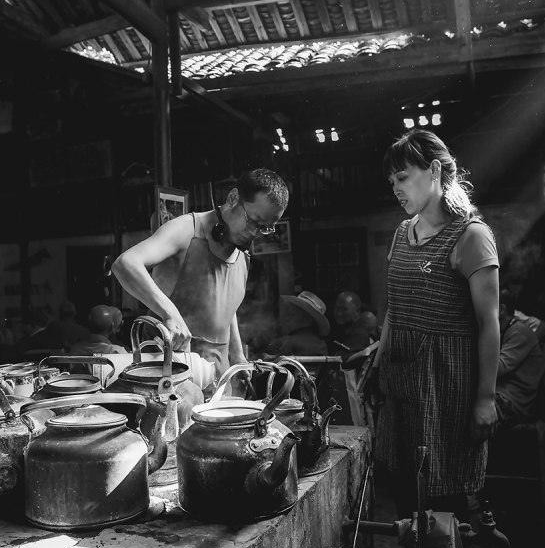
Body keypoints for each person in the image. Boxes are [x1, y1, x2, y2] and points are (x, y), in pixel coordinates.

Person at [374, 128, 500, 524]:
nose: (396, 188)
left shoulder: (471, 236)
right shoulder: (402, 233)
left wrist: (486, 398)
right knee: (406, 503)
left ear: (433, 170)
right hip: (402, 383)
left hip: (445, 386)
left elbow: (489, 323)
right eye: (392, 181)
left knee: (444, 508)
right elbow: (394, 307)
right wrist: (378, 359)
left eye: (403, 177)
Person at [111, 168, 289, 393]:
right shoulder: (186, 230)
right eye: (253, 221)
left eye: (265, 228)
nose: (254, 233)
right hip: (169, 378)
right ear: (233, 198)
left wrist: (237, 356)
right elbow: (126, 264)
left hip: (219, 379)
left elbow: (226, 307)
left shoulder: (242, 255)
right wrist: (170, 313)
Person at [495, 288, 545, 425]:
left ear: (501, 309)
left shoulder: (518, 331)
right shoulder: (506, 330)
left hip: (511, 400)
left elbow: (499, 367)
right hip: (501, 394)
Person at [262, 290, 330, 359]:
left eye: (293, 314)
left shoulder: (286, 342)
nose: (287, 318)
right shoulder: (322, 345)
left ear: (307, 319)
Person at [328, 290, 371, 362]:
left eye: (344, 309)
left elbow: (341, 359)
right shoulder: (339, 329)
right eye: (337, 308)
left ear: (357, 311)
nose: (339, 313)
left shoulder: (359, 334)